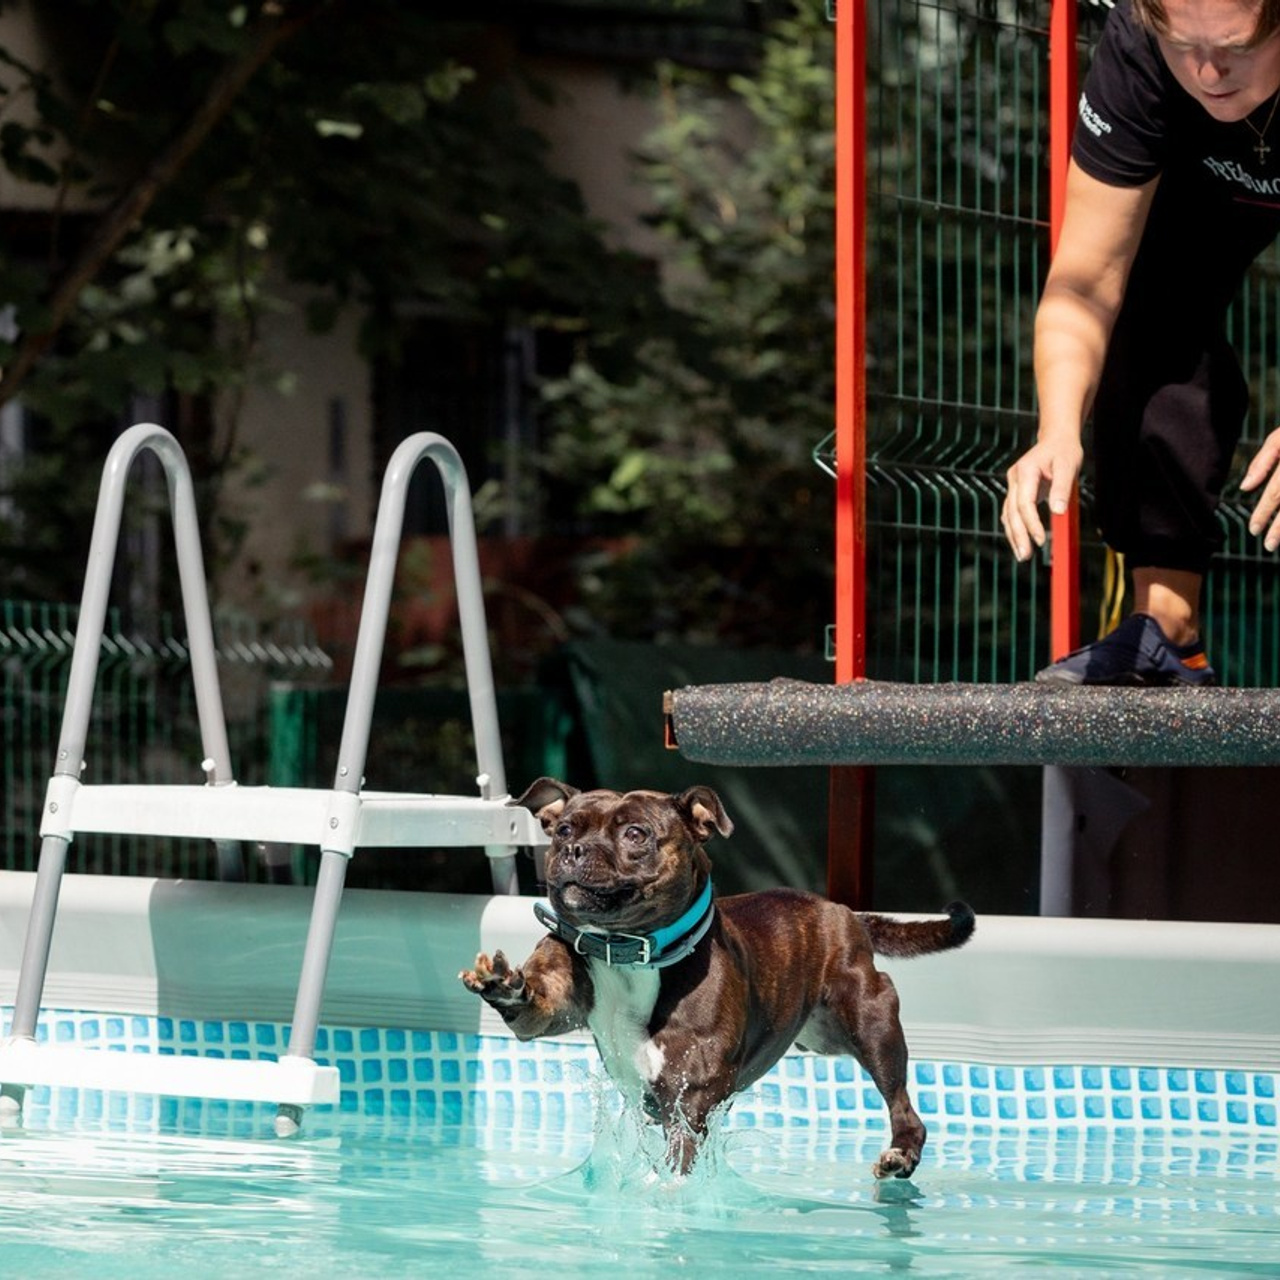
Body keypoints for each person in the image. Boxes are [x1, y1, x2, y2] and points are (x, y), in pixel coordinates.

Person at [1002, 0, 1280, 685]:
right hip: (1203, 189)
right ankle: (1167, 633)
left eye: (1237, 48)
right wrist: (1059, 426)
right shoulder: (1139, 56)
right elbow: (1086, 280)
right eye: (1183, 46)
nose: (1210, 71)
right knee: (1147, 299)